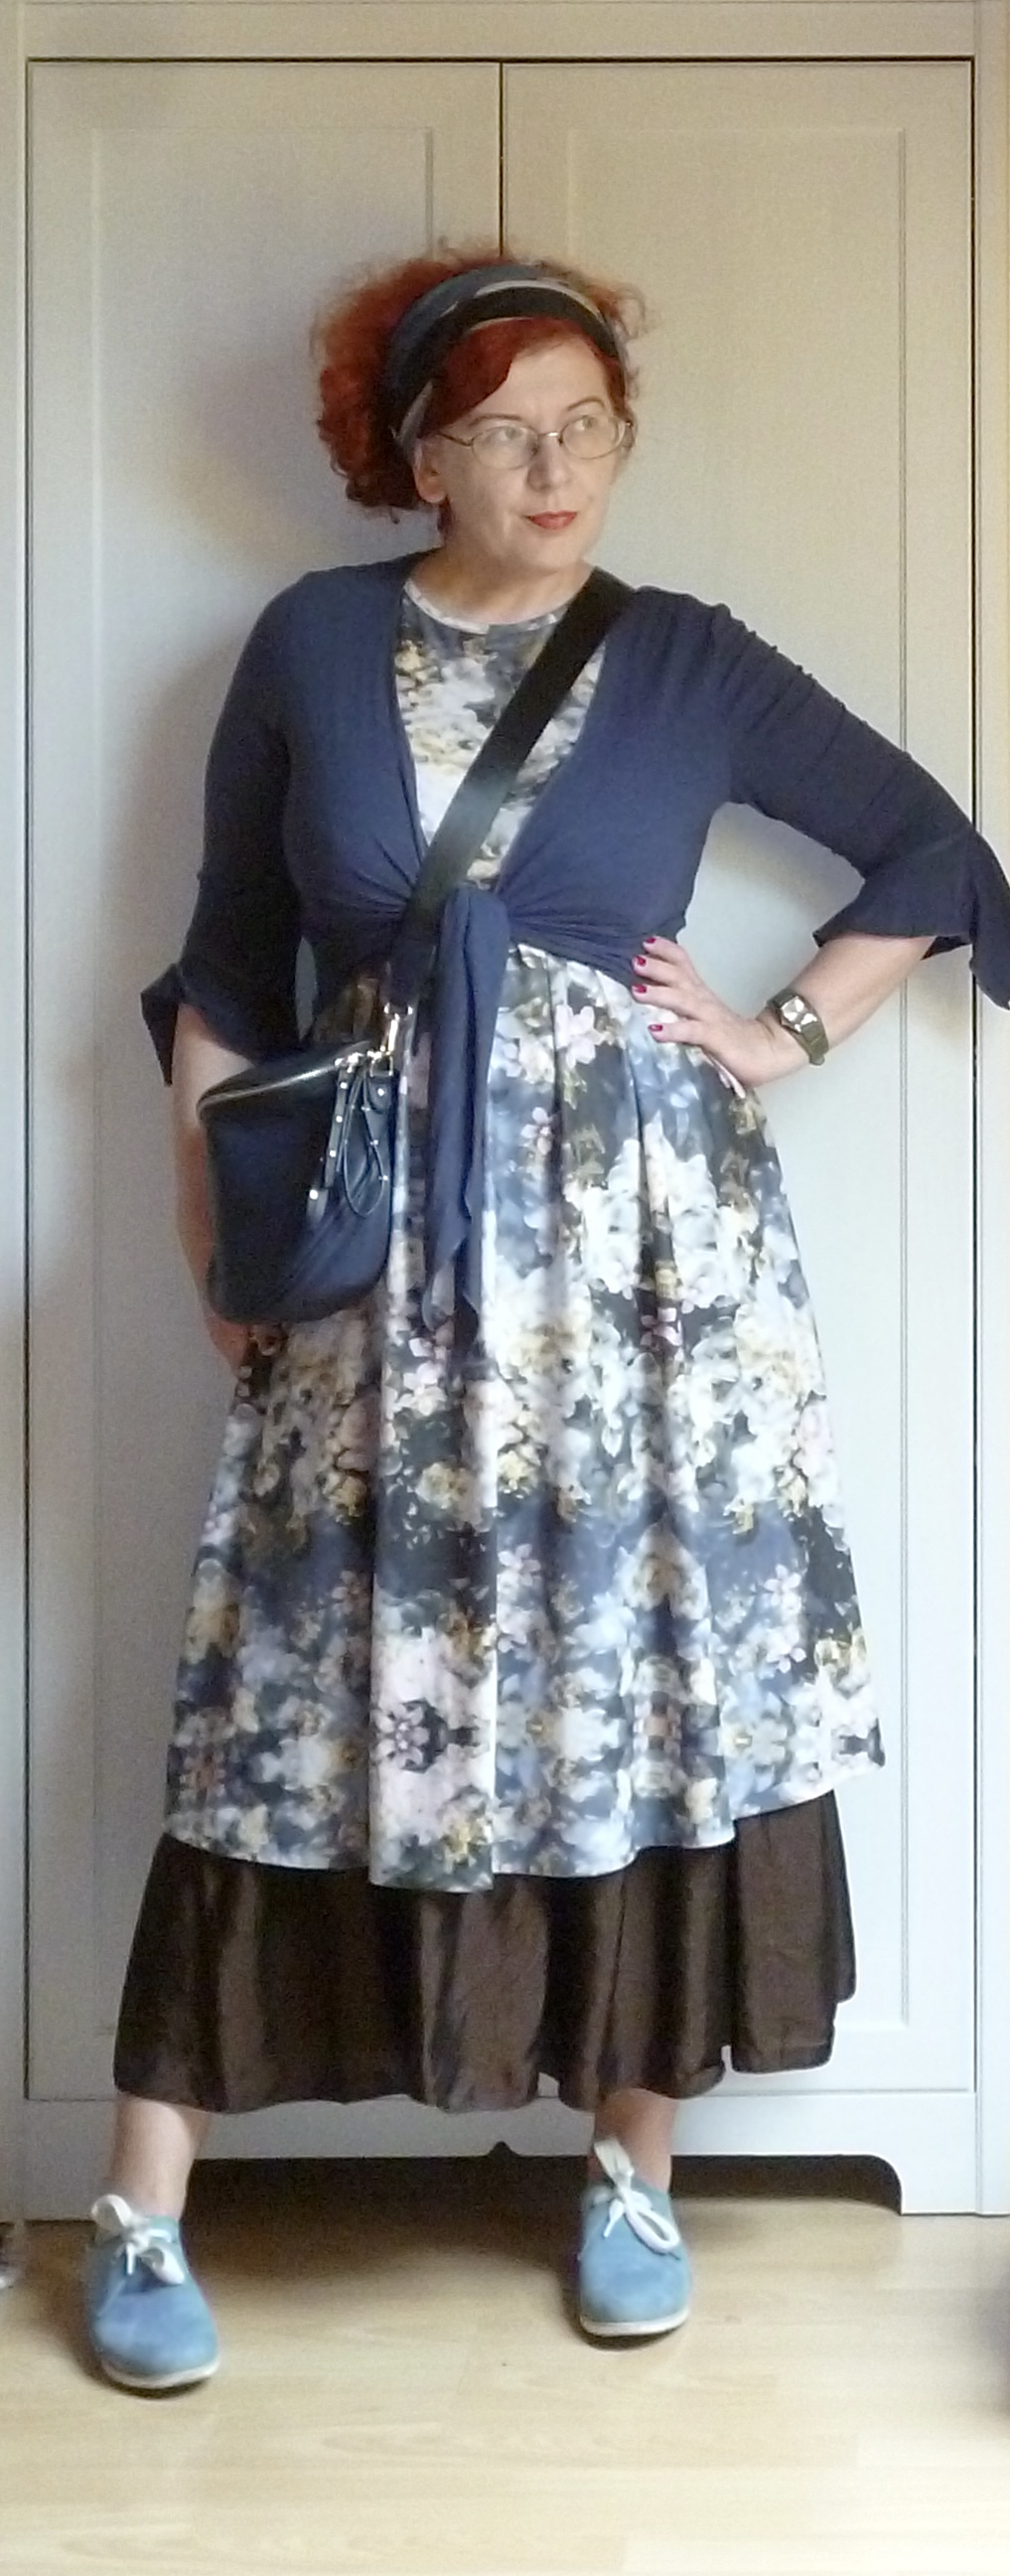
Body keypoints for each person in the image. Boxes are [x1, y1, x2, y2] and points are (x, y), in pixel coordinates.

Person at [82, 247, 1010, 2392]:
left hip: (644, 1278)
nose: (553, 464)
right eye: (503, 429)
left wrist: (777, 1029)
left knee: (637, 1678)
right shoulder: (310, 645)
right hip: (370, 1261)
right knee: (287, 1682)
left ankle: (628, 2169)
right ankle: (143, 2201)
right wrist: (209, 1231)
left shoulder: (683, 659)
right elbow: (224, 963)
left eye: (586, 423)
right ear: (417, 455)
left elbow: (928, 849)